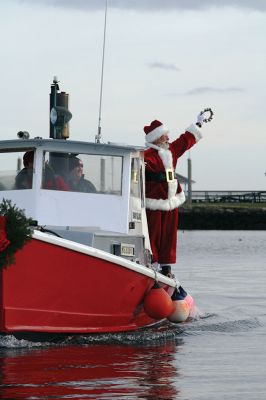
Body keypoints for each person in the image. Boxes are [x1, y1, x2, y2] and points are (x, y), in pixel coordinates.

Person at [143, 113, 205, 276]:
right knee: (153, 233)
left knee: (169, 236)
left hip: (172, 200)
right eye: (165, 135)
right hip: (154, 201)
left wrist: (197, 125)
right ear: (157, 138)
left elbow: (185, 141)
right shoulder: (146, 156)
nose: (168, 137)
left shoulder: (171, 151)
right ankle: (151, 263)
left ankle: (167, 267)